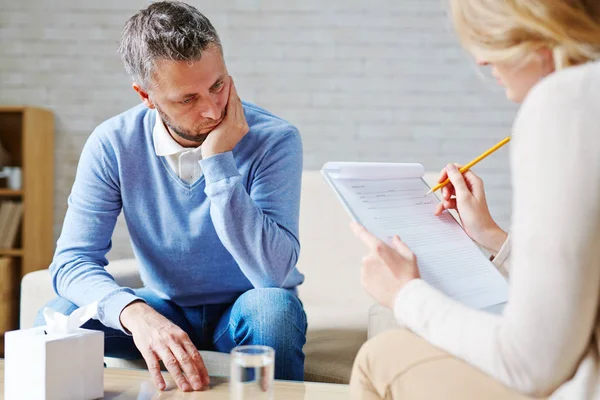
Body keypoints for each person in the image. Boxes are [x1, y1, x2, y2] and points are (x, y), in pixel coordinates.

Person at [35, 1, 307, 392]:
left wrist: (218, 161)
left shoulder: (275, 140)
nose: (213, 110)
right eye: (187, 99)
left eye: (217, 85)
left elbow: (272, 273)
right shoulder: (113, 144)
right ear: (146, 96)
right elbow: (72, 261)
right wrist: (134, 313)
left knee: (274, 310)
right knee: (57, 319)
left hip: (246, 307)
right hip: (167, 307)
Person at [349, 0, 600, 398]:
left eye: (489, 35)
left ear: (538, 28)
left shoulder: (564, 102)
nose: (482, 60)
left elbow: (532, 363)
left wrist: (405, 294)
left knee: (381, 356)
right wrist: (490, 235)